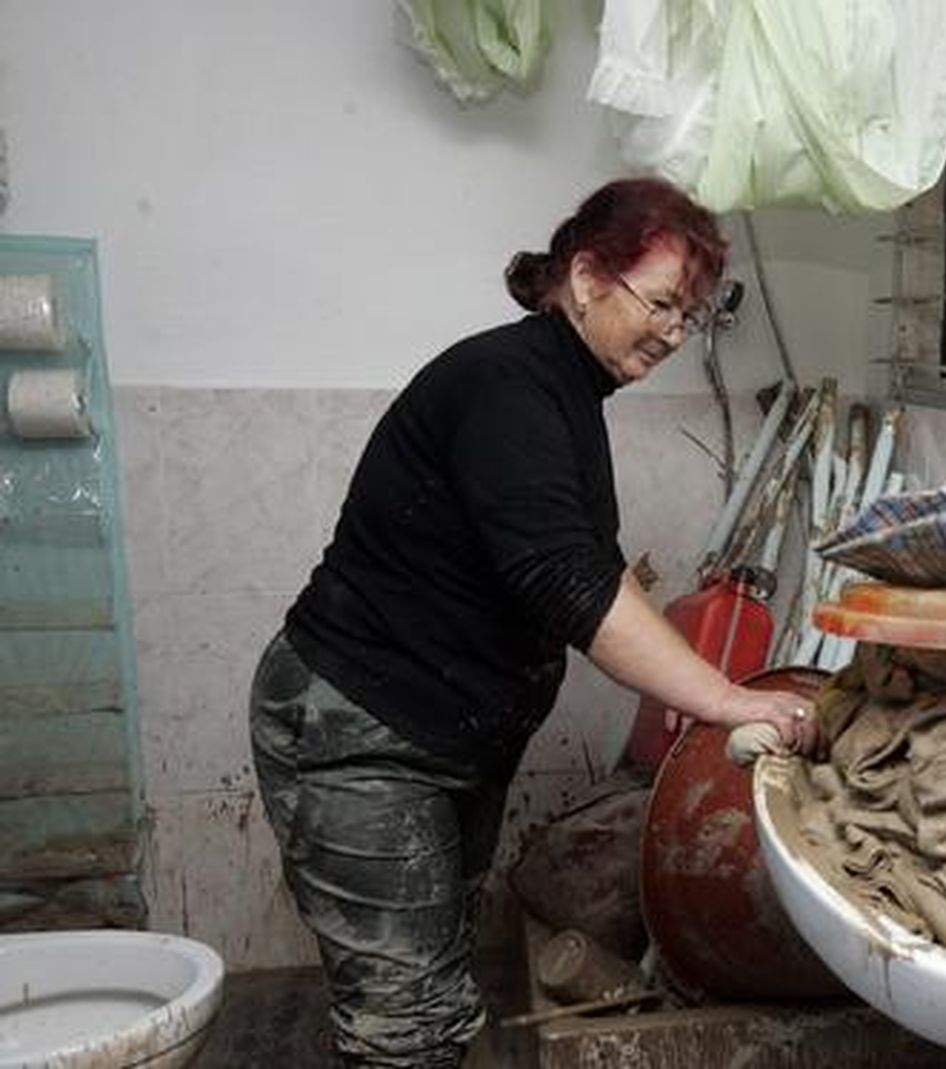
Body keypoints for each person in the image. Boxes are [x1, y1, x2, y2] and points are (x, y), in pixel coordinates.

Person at [249, 176, 821, 1067]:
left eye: (689, 316)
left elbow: (566, 567)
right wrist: (723, 698)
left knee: (433, 998)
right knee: (406, 1032)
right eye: (663, 303)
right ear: (589, 276)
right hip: (360, 732)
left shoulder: (560, 393)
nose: (674, 332)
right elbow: (566, 581)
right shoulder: (506, 384)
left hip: (434, 738)